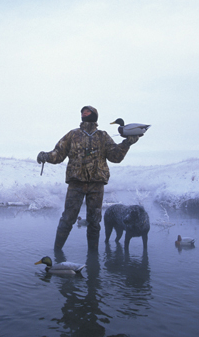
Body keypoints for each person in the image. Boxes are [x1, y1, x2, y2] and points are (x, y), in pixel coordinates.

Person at [37, 106, 140, 251]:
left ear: (94, 115)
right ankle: (57, 251)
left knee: (94, 222)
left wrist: (127, 143)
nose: (83, 113)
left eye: (87, 111)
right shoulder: (72, 135)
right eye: (82, 112)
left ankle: (93, 256)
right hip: (76, 183)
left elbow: (115, 157)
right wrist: (45, 156)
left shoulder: (103, 136)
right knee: (68, 218)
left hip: (96, 185)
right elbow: (58, 154)